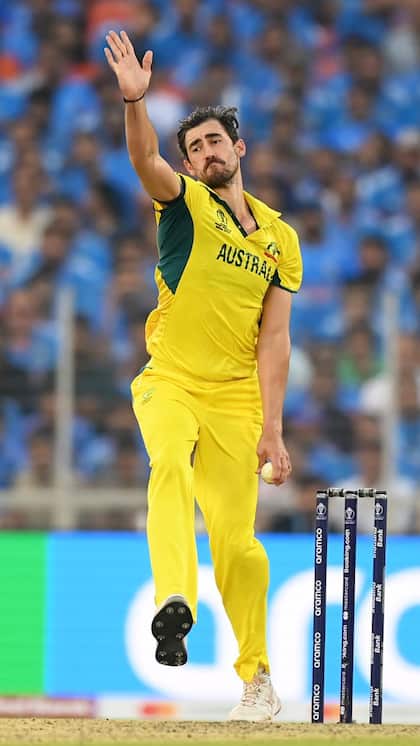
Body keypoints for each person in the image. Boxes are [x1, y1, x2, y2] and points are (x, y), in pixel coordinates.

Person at [105, 30, 302, 722]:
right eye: (196, 147)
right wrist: (136, 103)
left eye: (217, 141)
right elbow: (144, 159)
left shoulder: (281, 239)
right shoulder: (184, 202)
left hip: (236, 399)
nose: (207, 152)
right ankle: (174, 600)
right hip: (171, 380)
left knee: (237, 541)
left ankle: (257, 680)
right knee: (168, 465)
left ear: (239, 149)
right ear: (188, 163)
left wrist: (273, 428)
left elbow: (274, 338)